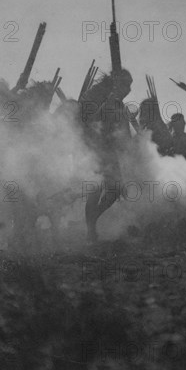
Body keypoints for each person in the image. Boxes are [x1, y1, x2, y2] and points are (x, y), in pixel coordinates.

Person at [79, 69, 133, 242]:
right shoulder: (97, 95)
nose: (129, 89)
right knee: (95, 189)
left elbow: (124, 131)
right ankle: (90, 231)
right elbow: (89, 121)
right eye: (127, 84)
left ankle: (93, 220)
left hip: (110, 150)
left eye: (131, 85)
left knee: (115, 189)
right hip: (94, 148)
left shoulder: (119, 104)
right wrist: (108, 101)